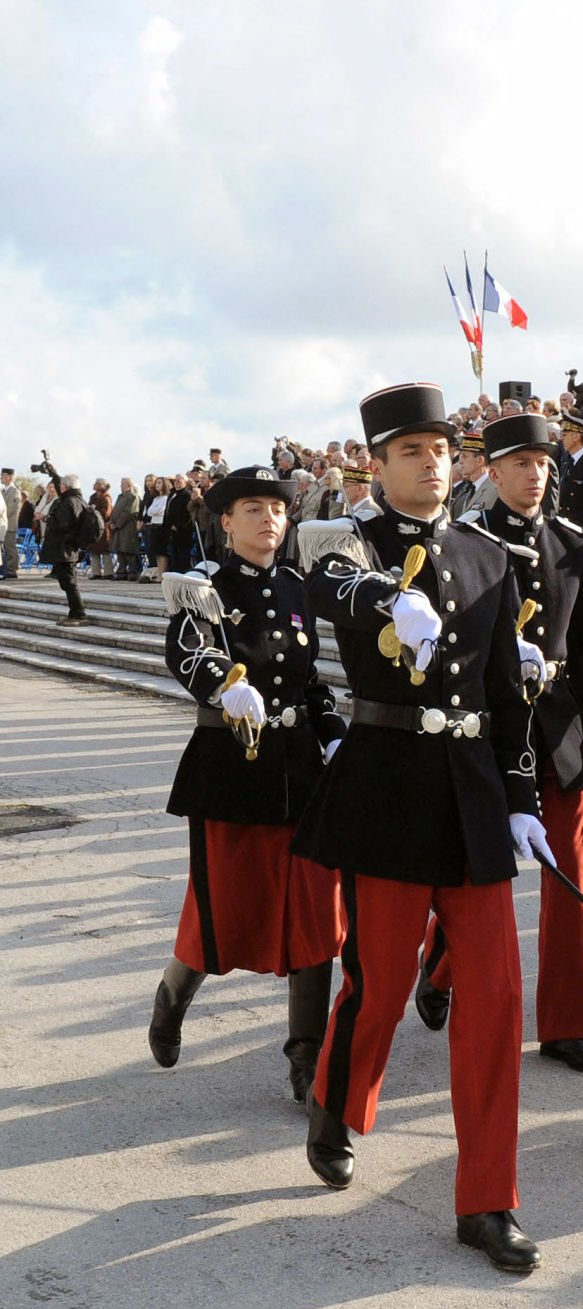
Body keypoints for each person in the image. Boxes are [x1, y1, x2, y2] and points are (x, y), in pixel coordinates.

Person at [291, 382, 546, 1273]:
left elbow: (507, 695)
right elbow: (327, 581)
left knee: (497, 1000)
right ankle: (335, 1099)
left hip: (472, 793)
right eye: (411, 450)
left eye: (440, 448)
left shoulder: (486, 553)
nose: (432, 461)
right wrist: (383, 599)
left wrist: (523, 797)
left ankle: (488, 1198)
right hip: (388, 789)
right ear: (376, 463)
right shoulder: (349, 540)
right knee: (380, 983)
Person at [415, 413, 583, 1076]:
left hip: (557, 729)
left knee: (568, 881)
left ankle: (564, 1024)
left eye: (543, 463)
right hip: (490, 727)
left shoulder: (570, 542)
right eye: (521, 464)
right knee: (485, 873)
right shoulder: (466, 541)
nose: (535, 475)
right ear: (493, 471)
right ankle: (441, 966)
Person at [147, 466, 347, 1099]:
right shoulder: (204, 585)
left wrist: (332, 727)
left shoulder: (296, 585)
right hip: (232, 769)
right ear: (227, 521)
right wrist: (225, 687)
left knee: (315, 913)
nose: (269, 519)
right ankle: (172, 996)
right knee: (224, 910)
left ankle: (306, 1060)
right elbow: (188, 650)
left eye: (277, 509)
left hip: (300, 769)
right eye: (253, 508)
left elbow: (307, 678)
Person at [40, 463, 89, 625]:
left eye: (60, 485)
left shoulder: (69, 502)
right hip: (68, 547)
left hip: (65, 547)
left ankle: (79, 614)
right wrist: (53, 473)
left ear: (65, 487)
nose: (58, 487)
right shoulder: (77, 499)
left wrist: (47, 518)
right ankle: (75, 612)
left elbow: (62, 524)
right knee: (67, 581)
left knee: (69, 583)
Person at [111, 478, 143, 579]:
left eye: (123, 484)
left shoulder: (133, 497)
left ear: (128, 485)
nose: (121, 486)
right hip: (118, 529)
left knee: (129, 551)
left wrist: (118, 524)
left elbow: (128, 512)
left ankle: (132, 572)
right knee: (120, 550)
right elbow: (115, 510)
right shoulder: (120, 497)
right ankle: (121, 572)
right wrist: (112, 522)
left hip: (128, 528)